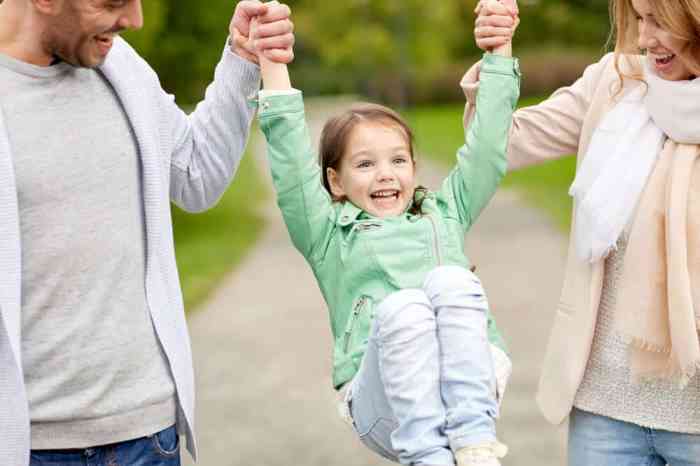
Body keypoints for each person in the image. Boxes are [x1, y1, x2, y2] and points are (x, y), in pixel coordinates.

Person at [0, 0, 294, 465]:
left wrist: (242, 57)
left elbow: (198, 174)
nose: (134, 19)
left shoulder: (119, 65)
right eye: (112, 2)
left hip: (148, 439)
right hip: (28, 447)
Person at [245, 3, 520, 464]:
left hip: (468, 380)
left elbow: (489, 146)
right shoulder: (328, 234)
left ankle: (475, 443)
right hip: (385, 403)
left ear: (414, 166)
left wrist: (499, 51)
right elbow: (291, 161)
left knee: (453, 281)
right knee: (407, 306)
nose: (385, 175)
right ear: (335, 181)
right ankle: (428, 456)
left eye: (397, 160)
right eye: (365, 164)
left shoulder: (445, 212)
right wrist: (273, 65)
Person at [475, 0, 700, 464]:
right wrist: (498, 57)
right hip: (604, 414)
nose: (642, 38)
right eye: (639, 19)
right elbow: (502, 144)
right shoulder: (616, 83)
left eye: (659, 21)